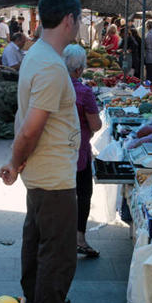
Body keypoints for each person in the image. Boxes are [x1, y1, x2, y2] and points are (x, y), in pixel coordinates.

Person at [0, 0, 82, 303]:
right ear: (69, 20)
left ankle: (35, 300)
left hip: (43, 171)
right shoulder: (50, 65)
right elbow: (31, 129)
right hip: (52, 175)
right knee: (57, 252)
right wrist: (15, 163)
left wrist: (17, 162)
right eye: (77, 20)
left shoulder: (37, 55)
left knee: (36, 238)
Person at [63, 44, 102, 259]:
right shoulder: (84, 93)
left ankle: (57, 239)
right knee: (83, 194)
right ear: (79, 70)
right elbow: (96, 125)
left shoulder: (52, 86)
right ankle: (79, 239)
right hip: (78, 153)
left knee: (60, 197)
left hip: (54, 154)